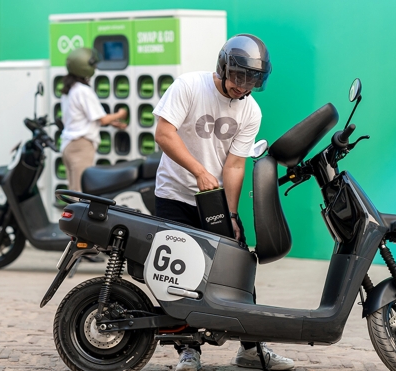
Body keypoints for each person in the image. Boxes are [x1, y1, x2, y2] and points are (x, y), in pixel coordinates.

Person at [153, 34, 295, 371]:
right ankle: (189, 351)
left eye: (251, 82)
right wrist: (199, 171)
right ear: (223, 66)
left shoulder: (250, 110)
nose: (242, 87)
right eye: (238, 78)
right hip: (174, 194)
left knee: (237, 269)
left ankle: (250, 348)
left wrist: (231, 214)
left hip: (213, 201)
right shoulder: (189, 86)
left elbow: (234, 165)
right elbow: (163, 133)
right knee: (181, 277)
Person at [60, 47, 128, 192]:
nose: (95, 67)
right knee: (79, 195)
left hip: (68, 145)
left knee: (73, 191)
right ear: (85, 67)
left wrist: (114, 123)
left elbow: (85, 118)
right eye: (93, 64)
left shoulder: (70, 89)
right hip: (80, 146)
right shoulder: (83, 91)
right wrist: (120, 113)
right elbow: (102, 119)